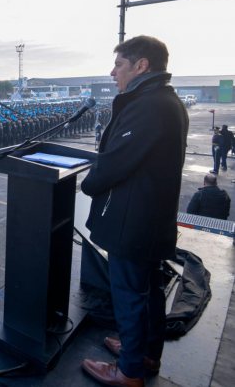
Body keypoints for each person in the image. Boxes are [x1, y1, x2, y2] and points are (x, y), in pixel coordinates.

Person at [80, 36, 188, 386]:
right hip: (150, 216)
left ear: (142, 66)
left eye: (120, 65)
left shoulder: (148, 104)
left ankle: (128, 371)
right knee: (149, 289)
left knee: (129, 294)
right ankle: (145, 354)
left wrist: (89, 183)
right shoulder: (164, 100)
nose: (113, 73)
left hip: (134, 219)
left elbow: (116, 162)